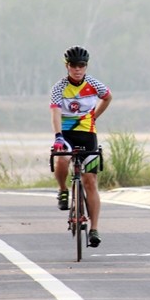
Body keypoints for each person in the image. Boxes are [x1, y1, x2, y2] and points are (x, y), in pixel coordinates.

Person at [50, 45, 112, 247]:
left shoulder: (94, 84)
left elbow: (108, 97)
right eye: (74, 66)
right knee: (61, 160)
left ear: (86, 66)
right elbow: (55, 112)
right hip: (66, 134)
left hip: (87, 135)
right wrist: (58, 136)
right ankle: (62, 189)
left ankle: (94, 229)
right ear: (67, 67)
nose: (78, 69)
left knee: (90, 181)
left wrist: (94, 116)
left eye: (81, 65)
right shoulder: (59, 87)